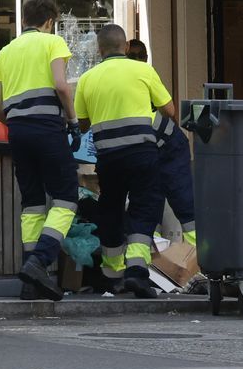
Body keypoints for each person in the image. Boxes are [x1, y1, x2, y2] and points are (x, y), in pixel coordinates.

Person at [0, 0, 81, 301]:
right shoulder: (52, 42)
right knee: (66, 197)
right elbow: (61, 85)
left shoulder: (5, 52)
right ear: (49, 22)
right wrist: (73, 121)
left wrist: (18, 121)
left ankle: (30, 282)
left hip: (18, 132)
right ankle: (39, 261)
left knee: (32, 203)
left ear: (25, 20)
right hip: (48, 128)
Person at [75, 25, 177, 298]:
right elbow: (170, 110)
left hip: (108, 158)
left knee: (111, 209)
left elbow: (83, 124)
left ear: (99, 49)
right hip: (142, 154)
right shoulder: (143, 71)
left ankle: (111, 277)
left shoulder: (87, 79)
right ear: (126, 46)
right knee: (145, 207)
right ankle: (136, 271)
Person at [127, 39, 196, 246]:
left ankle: (198, 255)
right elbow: (168, 111)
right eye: (133, 56)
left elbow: (169, 110)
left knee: (182, 201)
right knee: (149, 203)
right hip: (154, 146)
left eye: (140, 56)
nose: (137, 60)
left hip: (168, 146)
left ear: (146, 58)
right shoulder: (137, 76)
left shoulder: (144, 75)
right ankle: (156, 254)